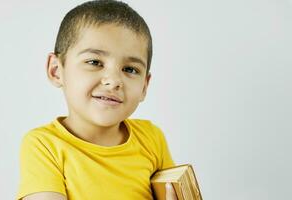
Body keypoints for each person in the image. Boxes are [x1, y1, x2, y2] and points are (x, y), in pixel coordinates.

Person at [17, 1, 178, 199]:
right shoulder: (44, 145)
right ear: (56, 70)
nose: (113, 81)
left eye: (130, 69)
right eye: (94, 62)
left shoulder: (152, 139)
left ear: (144, 86)